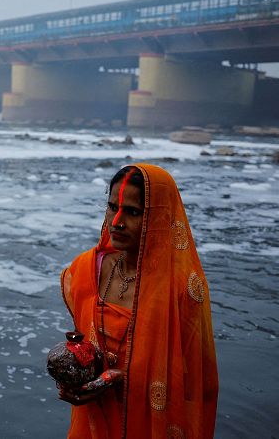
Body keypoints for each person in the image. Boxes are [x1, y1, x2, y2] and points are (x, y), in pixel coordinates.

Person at [57, 164, 218, 439]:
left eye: (132, 212)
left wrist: (126, 380)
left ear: (159, 218)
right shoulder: (86, 270)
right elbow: (87, 345)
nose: (117, 221)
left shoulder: (181, 288)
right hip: (94, 421)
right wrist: (75, 376)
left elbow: (194, 385)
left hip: (151, 426)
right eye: (111, 207)